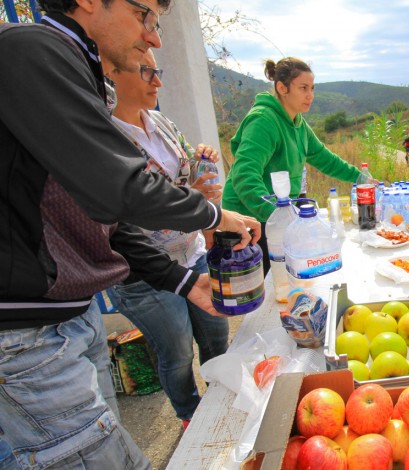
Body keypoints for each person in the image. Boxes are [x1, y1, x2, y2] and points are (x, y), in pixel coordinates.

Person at [0, 0, 260, 468]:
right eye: (145, 16)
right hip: (25, 333)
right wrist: (214, 215)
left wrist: (184, 281)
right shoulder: (33, 50)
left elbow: (102, 220)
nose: (154, 39)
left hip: (69, 316)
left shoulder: (77, 73)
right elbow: (121, 188)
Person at [106, 49, 229, 431]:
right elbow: (127, 212)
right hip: (145, 271)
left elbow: (182, 170)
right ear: (112, 73)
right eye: (146, 72)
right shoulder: (102, 135)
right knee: (175, 350)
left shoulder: (159, 121)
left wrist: (201, 159)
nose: (157, 81)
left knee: (216, 333)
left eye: (157, 71)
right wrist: (191, 198)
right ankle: (190, 414)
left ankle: (224, 395)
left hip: (192, 253)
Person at [223, 57, 363, 276]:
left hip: (276, 218)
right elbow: (244, 176)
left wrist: (360, 178)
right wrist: (283, 218)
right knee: (267, 290)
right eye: (303, 88)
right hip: (248, 222)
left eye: (313, 88)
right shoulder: (263, 120)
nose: (310, 95)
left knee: (291, 280)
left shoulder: (298, 123)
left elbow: (324, 158)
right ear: (282, 88)